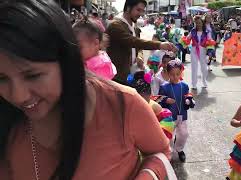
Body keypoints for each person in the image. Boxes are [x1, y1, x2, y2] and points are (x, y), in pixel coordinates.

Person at [0, 0, 171, 179]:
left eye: (33, 76)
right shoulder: (117, 26)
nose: (18, 96)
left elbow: (160, 152)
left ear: (66, 61)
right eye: (2, 78)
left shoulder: (122, 104)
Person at [106, 0, 176, 84]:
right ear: (128, 8)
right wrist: (160, 45)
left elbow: (138, 48)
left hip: (131, 75)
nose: (140, 14)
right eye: (138, 10)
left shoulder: (134, 26)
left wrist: (140, 56)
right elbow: (134, 42)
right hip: (117, 77)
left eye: (142, 11)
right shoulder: (115, 25)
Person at [158, 60, 194, 163]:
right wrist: (165, 100)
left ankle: (179, 149)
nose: (175, 76)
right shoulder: (164, 86)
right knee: (168, 136)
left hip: (182, 115)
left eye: (177, 74)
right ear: (168, 74)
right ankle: (168, 151)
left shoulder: (184, 86)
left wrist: (189, 101)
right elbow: (159, 99)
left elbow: (188, 97)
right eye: (172, 74)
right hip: (169, 117)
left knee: (184, 134)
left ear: (181, 73)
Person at [188, 15, 211, 89]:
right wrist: (184, 41)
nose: (198, 24)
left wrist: (210, 52)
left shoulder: (206, 32)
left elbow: (210, 42)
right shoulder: (192, 31)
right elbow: (187, 39)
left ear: (202, 23)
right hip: (194, 50)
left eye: (199, 22)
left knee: (204, 68)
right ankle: (194, 84)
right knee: (194, 67)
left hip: (203, 50)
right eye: (196, 23)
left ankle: (204, 81)